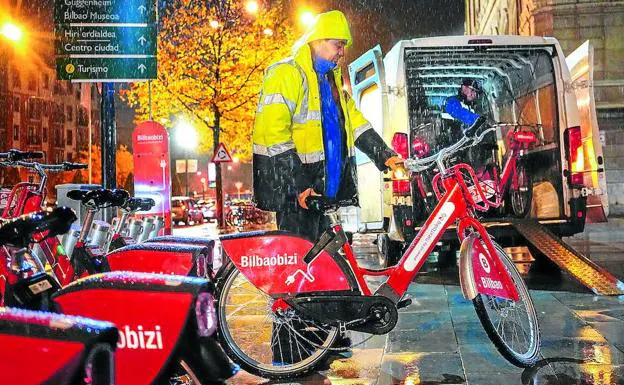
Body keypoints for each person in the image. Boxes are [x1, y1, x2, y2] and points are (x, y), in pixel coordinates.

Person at [252, 10, 403, 365]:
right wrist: (299, 185)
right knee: (298, 273)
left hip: (323, 193)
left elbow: (357, 124)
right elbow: (272, 135)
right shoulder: (287, 74)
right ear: (317, 41)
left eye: (343, 47)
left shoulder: (333, 83)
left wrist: (387, 157)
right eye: (337, 45)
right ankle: (291, 351)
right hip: (298, 194)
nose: (341, 53)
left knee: (327, 269)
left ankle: (323, 342)